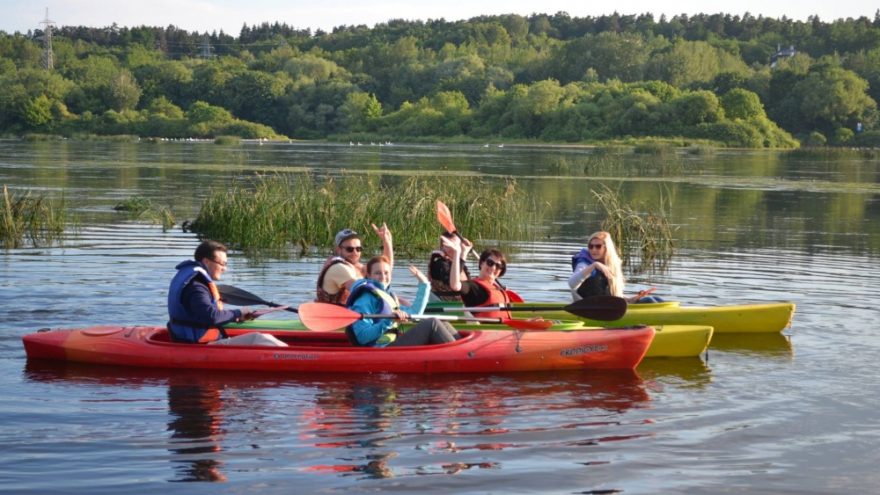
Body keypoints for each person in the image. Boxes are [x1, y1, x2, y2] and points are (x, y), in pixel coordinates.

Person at [167, 240, 287, 346]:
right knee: (260, 339)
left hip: (197, 339)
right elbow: (211, 317)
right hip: (200, 345)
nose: (225, 269)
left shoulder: (194, 282)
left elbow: (201, 316)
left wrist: (235, 317)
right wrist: (238, 312)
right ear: (207, 262)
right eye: (222, 264)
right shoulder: (196, 287)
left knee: (263, 337)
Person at [346, 255, 461, 347]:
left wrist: (424, 285)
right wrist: (388, 321)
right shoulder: (365, 299)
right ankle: (462, 355)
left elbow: (415, 313)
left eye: (386, 273)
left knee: (442, 322)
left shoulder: (388, 295)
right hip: (380, 350)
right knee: (432, 324)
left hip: (392, 343)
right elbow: (361, 336)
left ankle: (464, 350)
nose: (383, 276)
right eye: (377, 273)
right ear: (369, 276)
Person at [568, 231, 662, 303]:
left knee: (654, 299)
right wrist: (594, 265)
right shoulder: (584, 263)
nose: (593, 249)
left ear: (607, 248)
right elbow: (572, 284)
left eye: (598, 246)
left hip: (608, 306)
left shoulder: (611, 264)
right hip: (588, 308)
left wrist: (631, 299)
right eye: (591, 246)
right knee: (650, 301)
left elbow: (613, 295)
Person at [316, 223, 394, 304]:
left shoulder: (359, 268)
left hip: (353, 310)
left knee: (400, 300)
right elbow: (360, 291)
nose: (355, 252)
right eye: (349, 249)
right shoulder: (338, 268)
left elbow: (385, 270)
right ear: (338, 250)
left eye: (358, 249)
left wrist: (387, 242)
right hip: (334, 312)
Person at [445, 240, 514, 320]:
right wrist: (459, 253)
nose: (493, 268)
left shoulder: (499, 289)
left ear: (501, 271)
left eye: (498, 266)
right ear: (481, 263)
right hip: (485, 330)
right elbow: (455, 285)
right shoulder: (473, 287)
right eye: (490, 263)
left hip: (505, 329)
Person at [427, 232, 473, 301]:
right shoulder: (440, 264)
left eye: (456, 245)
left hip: (463, 304)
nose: (453, 249)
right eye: (449, 246)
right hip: (445, 305)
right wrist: (463, 255)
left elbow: (469, 283)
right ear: (442, 247)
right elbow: (453, 282)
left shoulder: (460, 264)